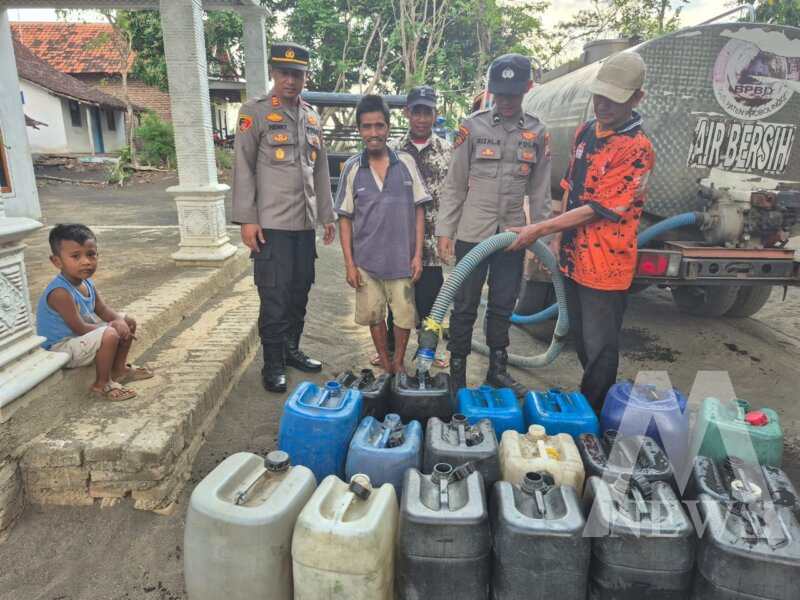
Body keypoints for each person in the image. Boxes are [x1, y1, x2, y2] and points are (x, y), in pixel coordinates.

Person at [507, 51, 655, 412]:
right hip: (573, 259)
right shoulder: (585, 131)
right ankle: (586, 406)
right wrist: (557, 240)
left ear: (637, 98)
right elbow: (571, 187)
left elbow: (596, 210)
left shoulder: (636, 149)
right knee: (581, 340)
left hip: (606, 267)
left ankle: (595, 414)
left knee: (599, 347)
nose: (602, 104)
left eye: (614, 99)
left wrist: (538, 229)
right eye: (599, 95)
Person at [437, 53, 552, 398]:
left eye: (512, 95)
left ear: (527, 89)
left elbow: (541, 191)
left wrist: (539, 239)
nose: (504, 102)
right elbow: (455, 184)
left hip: (513, 237)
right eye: (499, 94)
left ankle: (496, 371)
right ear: (491, 91)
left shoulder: (538, 132)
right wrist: (445, 232)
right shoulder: (471, 127)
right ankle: (456, 371)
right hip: (472, 234)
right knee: (464, 306)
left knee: (503, 305)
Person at [232, 42, 336, 393]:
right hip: (271, 226)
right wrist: (247, 218)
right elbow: (243, 167)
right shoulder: (255, 111)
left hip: (304, 225)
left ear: (306, 76)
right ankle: (272, 362)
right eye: (284, 73)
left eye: (298, 74)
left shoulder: (311, 115)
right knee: (274, 297)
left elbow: (320, 168)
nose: (291, 80)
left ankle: (291, 350)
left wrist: (327, 215)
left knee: (300, 291)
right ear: (274, 73)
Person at [335, 94, 429, 375]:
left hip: (402, 262)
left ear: (388, 127)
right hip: (367, 263)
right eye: (367, 127)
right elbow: (345, 218)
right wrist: (350, 264)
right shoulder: (352, 167)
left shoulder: (406, 163)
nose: (373, 133)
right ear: (359, 130)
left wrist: (417, 256)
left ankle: (399, 363)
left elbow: (420, 210)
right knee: (374, 315)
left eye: (379, 126)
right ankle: (385, 363)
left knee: (403, 316)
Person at [376, 85, 451, 369]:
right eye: (416, 111)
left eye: (427, 112)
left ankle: (429, 351)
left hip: (433, 243)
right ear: (407, 113)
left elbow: (455, 193)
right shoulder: (391, 150)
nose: (421, 118)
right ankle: (393, 349)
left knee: (433, 300)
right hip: (398, 241)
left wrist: (450, 233)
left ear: (435, 114)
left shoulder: (447, 150)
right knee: (396, 299)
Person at [36, 224, 153, 401]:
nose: (86, 261)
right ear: (57, 261)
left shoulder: (86, 283)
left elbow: (104, 310)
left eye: (91, 254)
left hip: (79, 338)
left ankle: (119, 369)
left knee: (127, 321)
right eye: (76, 256)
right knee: (110, 333)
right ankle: (102, 383)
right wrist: (111, 327)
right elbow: (80, 328)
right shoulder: (60, 293)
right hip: (61, 348)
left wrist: (118, 322)